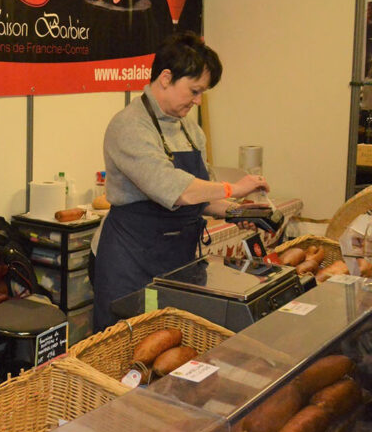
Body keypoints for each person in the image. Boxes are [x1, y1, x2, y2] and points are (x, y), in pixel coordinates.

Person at [93, 32, 270, 332]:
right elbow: (175, 190)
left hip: (177, 261)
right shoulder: (128, 126)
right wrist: (234, 188)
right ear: (165, 77)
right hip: (131, 261)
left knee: (172, 344)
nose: (198, 100)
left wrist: (238, 211)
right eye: (194, 90)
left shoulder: (190, 130)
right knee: (127, 350)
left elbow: (203, 196)